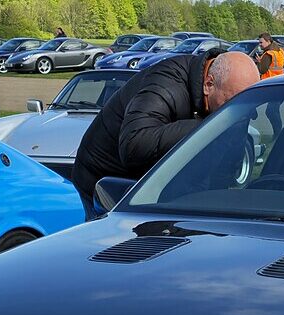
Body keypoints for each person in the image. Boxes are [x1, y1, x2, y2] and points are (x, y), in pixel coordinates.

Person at [72, 51, 259, 219]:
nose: (236, 114)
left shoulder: (233, 104)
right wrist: (208, 129)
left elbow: (225, 170)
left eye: (242, 107)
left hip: (160, 193)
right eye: (231, 104)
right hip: (102, 187)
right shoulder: (166, 83)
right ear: (209, 84)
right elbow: (135, 145)